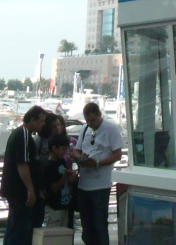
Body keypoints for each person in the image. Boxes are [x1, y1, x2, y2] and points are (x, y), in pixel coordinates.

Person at [72, 102, 123, 245]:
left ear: (99, 115)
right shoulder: (84, 129)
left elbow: (117, 154)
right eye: (87, 121)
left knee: (100, 225)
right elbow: (78, 149)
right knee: (86, 226)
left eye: (93, 120)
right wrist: (77, 156)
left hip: (101, 185)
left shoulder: (111, 129)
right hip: (84, 184)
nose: (90, 123)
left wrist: (98, 163)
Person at [1, 106, 46, 245]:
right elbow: (22, 164)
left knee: (14, 227)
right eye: (41, 121)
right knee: (20, 229)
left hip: (14, 190)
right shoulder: (24, 135)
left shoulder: (19, 133)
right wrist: (31, 191)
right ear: (32, 120)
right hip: (19, 191)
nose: (43, 124)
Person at [38, 134, 77, 226]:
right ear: (54, 148)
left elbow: (68, 182)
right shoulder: (48, 166)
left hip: (65, 204)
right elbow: (54, 188)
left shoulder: (62, 161)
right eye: (63, 149)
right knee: (55, 233)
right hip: (54, 207)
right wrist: (64, 177)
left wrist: (71, 179)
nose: (65, 152)